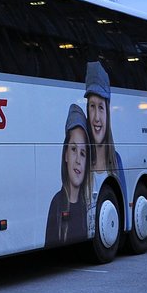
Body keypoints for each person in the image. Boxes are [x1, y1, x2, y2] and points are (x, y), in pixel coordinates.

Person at [84, 60, 127, 236]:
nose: (96, 118)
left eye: (100, 108)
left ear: (108, 112)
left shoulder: (116, 162)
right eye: (91, 107)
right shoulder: (80, 163)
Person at [45, 104, 92, 246]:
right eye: (73, 149)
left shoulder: (89, 206)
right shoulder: (56, 203)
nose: (78, 160)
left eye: (83, 154)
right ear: (65, 154)